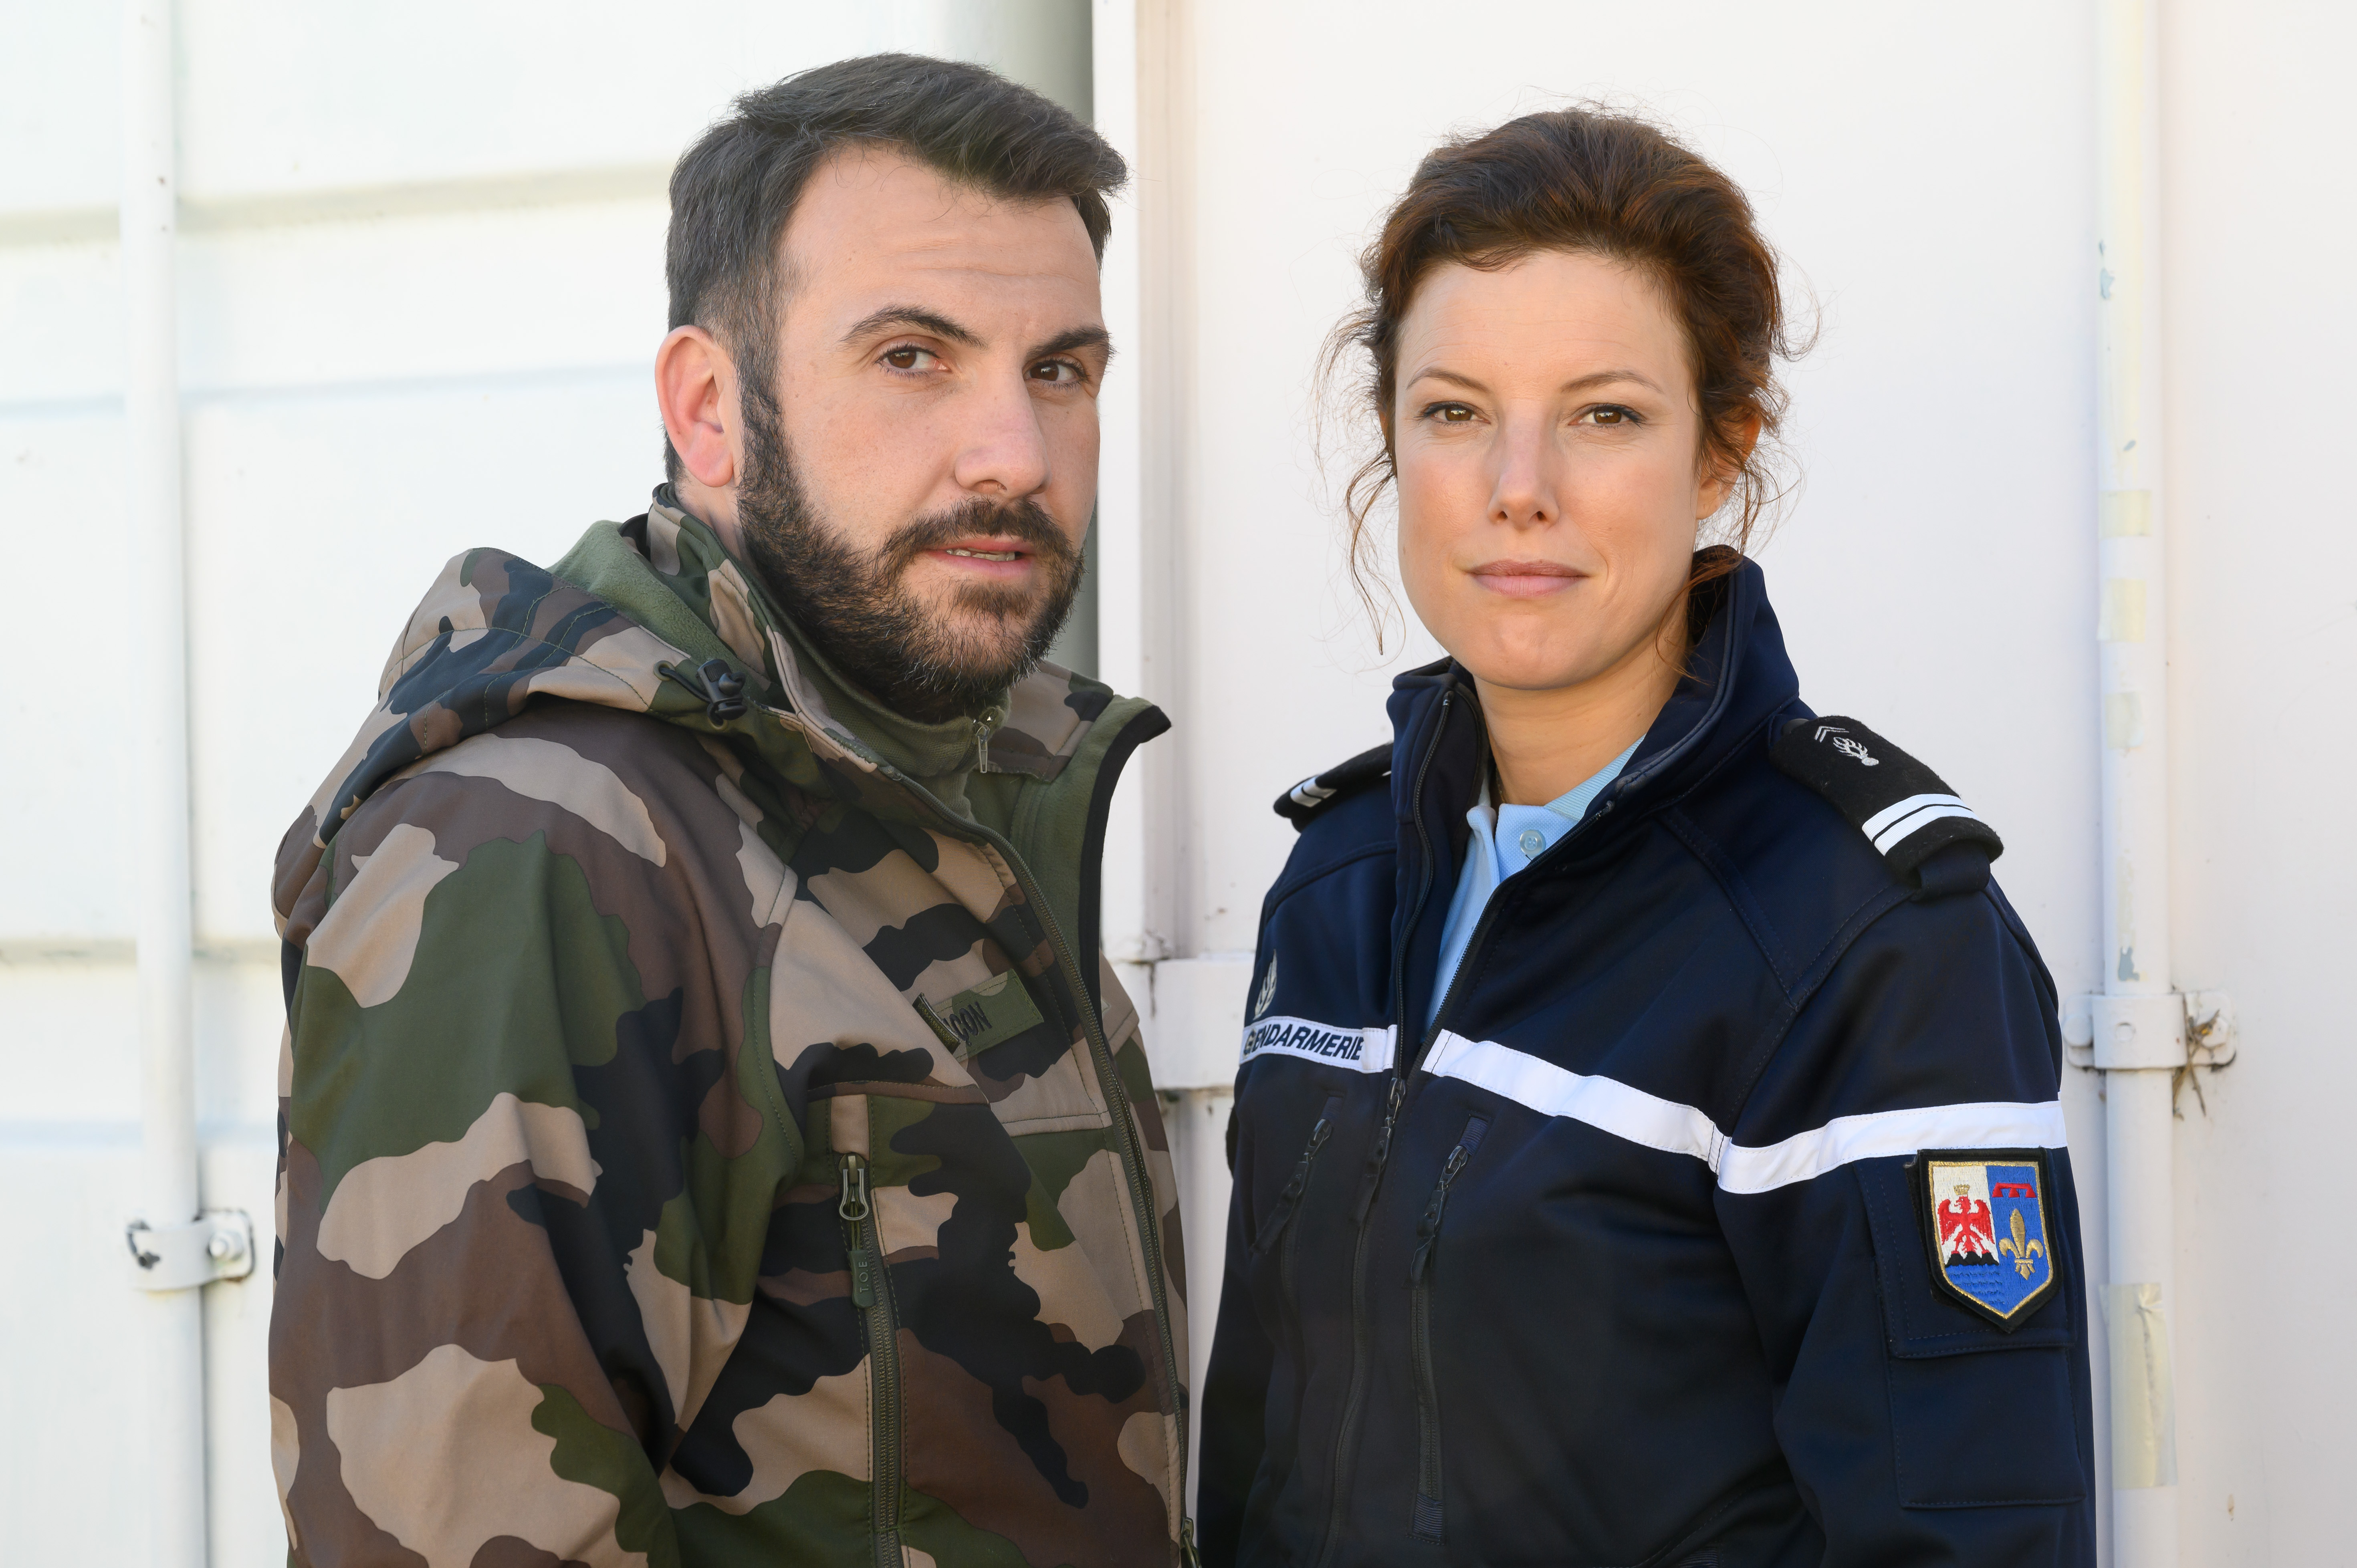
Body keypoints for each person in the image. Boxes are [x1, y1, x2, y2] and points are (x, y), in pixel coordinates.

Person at [268, 55, 1193, 1568]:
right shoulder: (543, 851)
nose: (1014, 456)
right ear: (711, 409)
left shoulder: (975, 785)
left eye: (1060, 371)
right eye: (912, 357)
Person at [1198, 109, 2094, 1566]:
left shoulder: (1868, 938)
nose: (1517, 485)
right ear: (1392, 441)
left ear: (1719, 453)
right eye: (1454, 410)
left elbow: (1969, 1535)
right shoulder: (1342, 880)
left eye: (1604, 413)